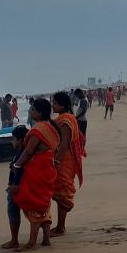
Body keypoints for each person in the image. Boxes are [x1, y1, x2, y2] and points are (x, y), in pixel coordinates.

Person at [11, 99, 59, 251]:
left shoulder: (38, 129)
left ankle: (32, 242)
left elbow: (29, 151)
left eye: (32, 110)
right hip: (48, 168)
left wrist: (17, 165)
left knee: (33, 203)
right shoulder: (51, 127)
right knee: (44, 203)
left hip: (38, 170)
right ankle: (45, 239)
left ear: (38, 112)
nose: (30, 112)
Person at [50, 91, 86, 237]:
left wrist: (56, 161)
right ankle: (60, 225)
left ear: (62, 105)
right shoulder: (66, 118)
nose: (53, 105)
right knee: (59, 190)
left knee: (62, 191)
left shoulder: (65, 120)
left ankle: (61, 227)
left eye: (55, 103)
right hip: (65, 159)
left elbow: (64, 143)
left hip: (65, 160)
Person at [0, 126, 29, 250]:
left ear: (21, 140)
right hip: (14, 186)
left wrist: (15, 185)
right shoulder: (20, 152)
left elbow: (21, 170)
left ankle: (15, 240)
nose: (12, 142)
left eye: (14, 139)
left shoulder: (24, 153)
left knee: (14, 212)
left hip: (18, 187)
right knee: (14, 213)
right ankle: (14, 239)